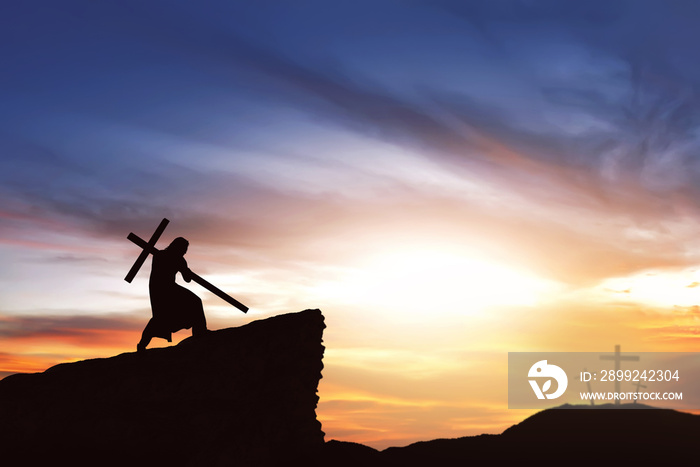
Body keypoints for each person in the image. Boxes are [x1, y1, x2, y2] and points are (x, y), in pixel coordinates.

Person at [137, 237, 208, 351]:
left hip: (167, 288)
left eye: (186, 249)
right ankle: (142, 345)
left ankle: (199, 331)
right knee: (160, 317)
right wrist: (186, 271)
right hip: (161, 289)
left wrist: (187, 271)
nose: (185, 252)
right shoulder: (162, 256)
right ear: (177, 247)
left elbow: (187, 278)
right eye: (184, 249)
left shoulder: (172, 258)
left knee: (194, 302)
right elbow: (186, 278)